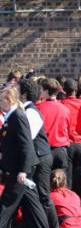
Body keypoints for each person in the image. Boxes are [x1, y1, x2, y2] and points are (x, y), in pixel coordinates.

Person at [0, 87, 49, 228]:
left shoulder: (18, 116)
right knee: (33, 206)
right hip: (16, 168)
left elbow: (26, 145)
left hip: (18, 170)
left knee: (6, 206)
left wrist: (24, 170)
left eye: (1, 99)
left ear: (9, 100)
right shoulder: (11, 117)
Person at [19, 77, 60, 228]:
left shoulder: (31, 112)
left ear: (23, 94)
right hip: (37, 156)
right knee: (35, 195)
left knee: (43, 195)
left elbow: (26, 137)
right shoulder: (27, 110)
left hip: (41, 157)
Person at [37, 78, 72, 172]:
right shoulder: (65, 109)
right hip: (61, 150)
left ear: (46, 91)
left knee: (45, 184)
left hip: (45, 150)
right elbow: (68, 129)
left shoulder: (39, 109)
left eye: (41, 89)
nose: (40, 91)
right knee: (60, 183)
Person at [61, 78, 81, 190]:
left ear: (64, 90)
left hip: (68, 143)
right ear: (76, 90)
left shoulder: (61, 104)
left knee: (68, 178)